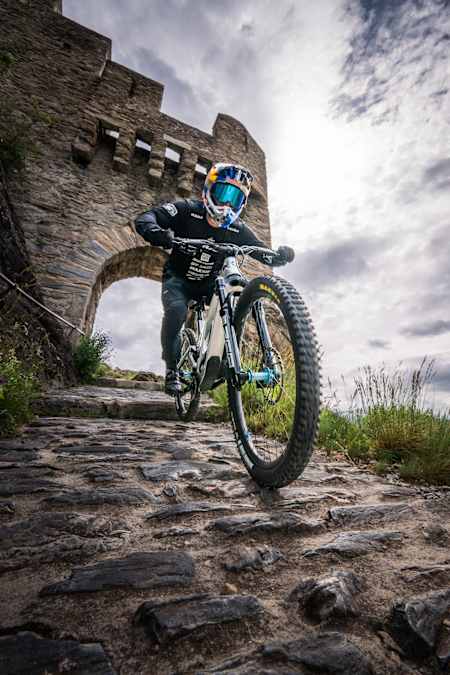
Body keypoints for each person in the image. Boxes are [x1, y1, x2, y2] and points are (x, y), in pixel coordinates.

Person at [134, 162, 295, 396]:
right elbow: (147, 218)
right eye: (223, 193)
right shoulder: (187, 209)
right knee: (176, 313)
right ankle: (172, 369)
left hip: (210, 284)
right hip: (178, 281)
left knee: (232, 301)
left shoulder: (238, 229)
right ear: (209, 190)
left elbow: (261, 251)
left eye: (236, 198)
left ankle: (222, 358)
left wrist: (279, 256)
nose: (227, 204)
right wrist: (157, 233)